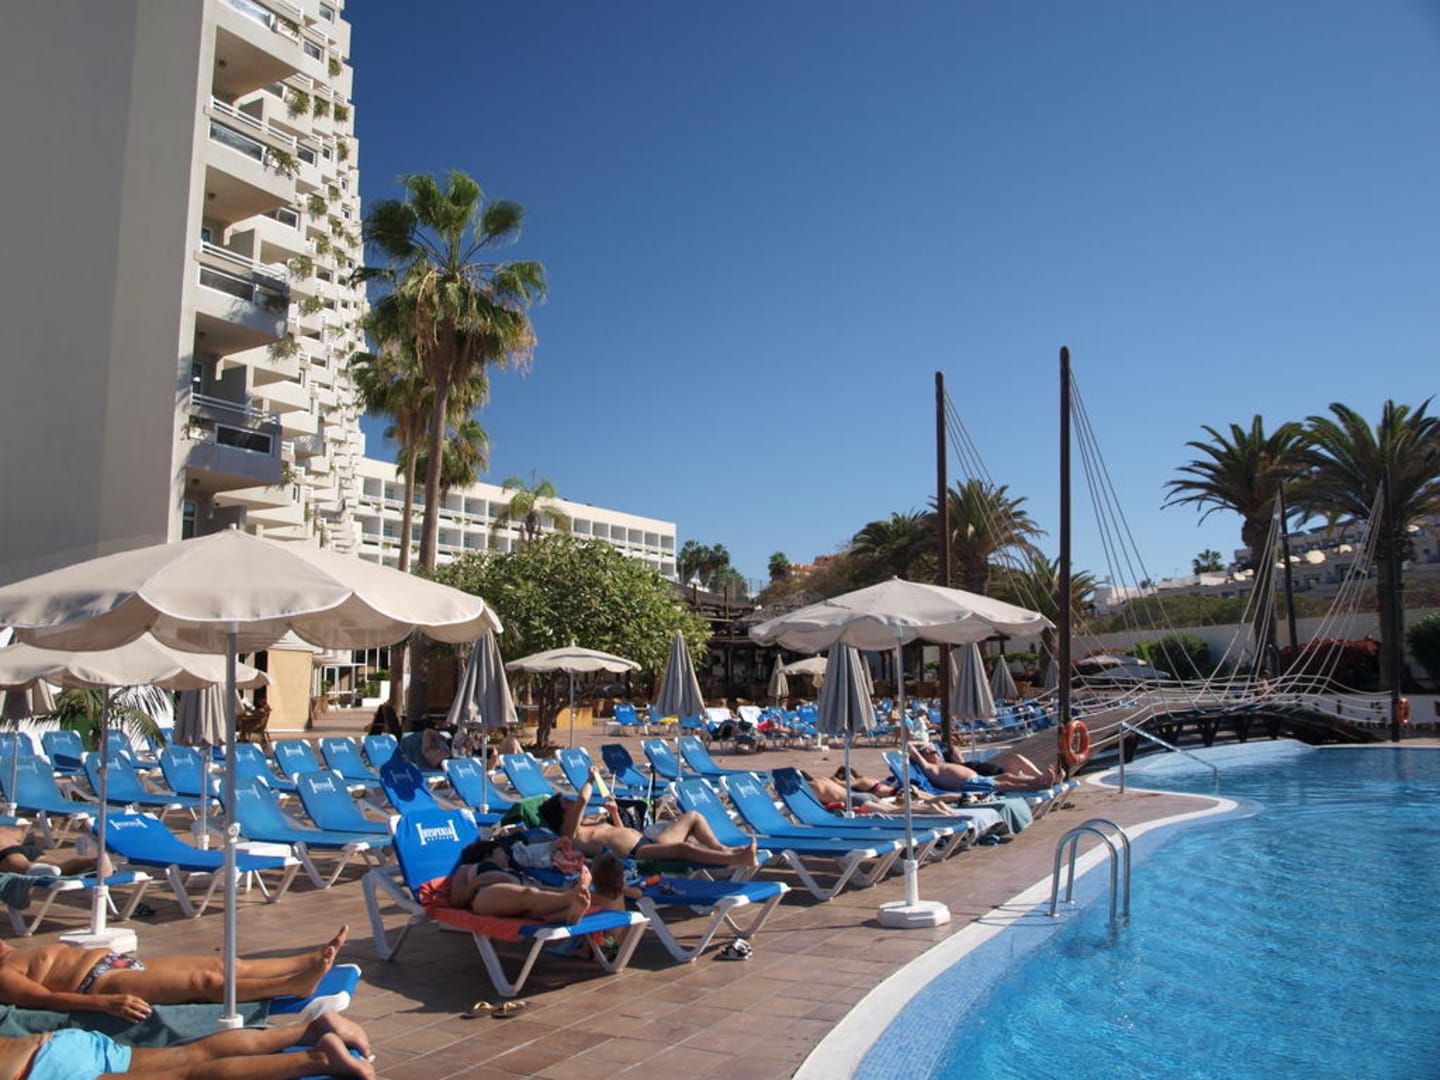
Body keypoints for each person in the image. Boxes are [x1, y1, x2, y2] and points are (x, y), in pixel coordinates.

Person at [0, 927, 349, 1021]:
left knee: (220, 965)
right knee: (203, 984)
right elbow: (44, 1000)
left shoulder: (14, 952)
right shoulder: (4, 974)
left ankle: (308, 958)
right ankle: (295, 986)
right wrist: (105, 1004)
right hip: (99, 983)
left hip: (118, 963)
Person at [0, 1010, 372, 1080]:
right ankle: (311, 1030)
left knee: (188, 1076)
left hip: (42, 1073)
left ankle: (318, 1058)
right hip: (55, 1046)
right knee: (193, 1054)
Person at [543, 770, 757, 868]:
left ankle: (723, 850)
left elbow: (619, 830)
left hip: (647, 840)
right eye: (566, 802)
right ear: (561, 814)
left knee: (693, 816)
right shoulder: (570, 833)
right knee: (683, 849)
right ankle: (737, 860)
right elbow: (583, 798)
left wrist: (614, 813)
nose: (571, 801)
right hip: (637, 853)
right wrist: (591, 779)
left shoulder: (588, 821)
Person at [440, 839, 593, 924]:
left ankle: (569, 910)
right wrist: (478, 881)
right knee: (529, 893)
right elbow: (456, 900)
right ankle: (571, 899)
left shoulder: (512, 871)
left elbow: (541, 889)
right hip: (486, 895)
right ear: (487, 855)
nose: (507, 857)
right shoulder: (467, 868)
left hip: (521, 899)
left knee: (533, 902)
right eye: (502, 853)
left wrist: (566, 888)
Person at [909, 744, 1059, 792]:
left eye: (936, 751)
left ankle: (1037, 781)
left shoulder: (939, 763)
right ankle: (1038, 786)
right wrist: (918, 745)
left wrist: (928, 747)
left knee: (1007, 777)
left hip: (975, 778)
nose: (936, 753)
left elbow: (929, 745)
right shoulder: (928, 767)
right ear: (924, 756)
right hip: (967, 784)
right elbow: (910, 747)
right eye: (932, 752)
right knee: (1005, 785)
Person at [0, 826, 109, 877]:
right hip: (23, 848)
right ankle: (91, 863)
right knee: (58, 866)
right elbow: (22, 831)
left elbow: (22, 830)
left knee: (17, 863)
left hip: (7, 852)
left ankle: (35, 870)